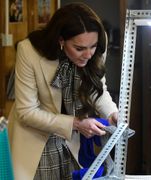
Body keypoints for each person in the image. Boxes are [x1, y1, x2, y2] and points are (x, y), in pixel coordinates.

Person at [8, 3, 119, 179]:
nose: (89, 54)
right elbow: (26, 112)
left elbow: (97, 89)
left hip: (70, 140)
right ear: (61, 40)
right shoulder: (29, 51)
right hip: (35, 140)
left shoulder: (94, 43)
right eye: (80, 48)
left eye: (93, 46)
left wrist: (112, 113)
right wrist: (75, 123)